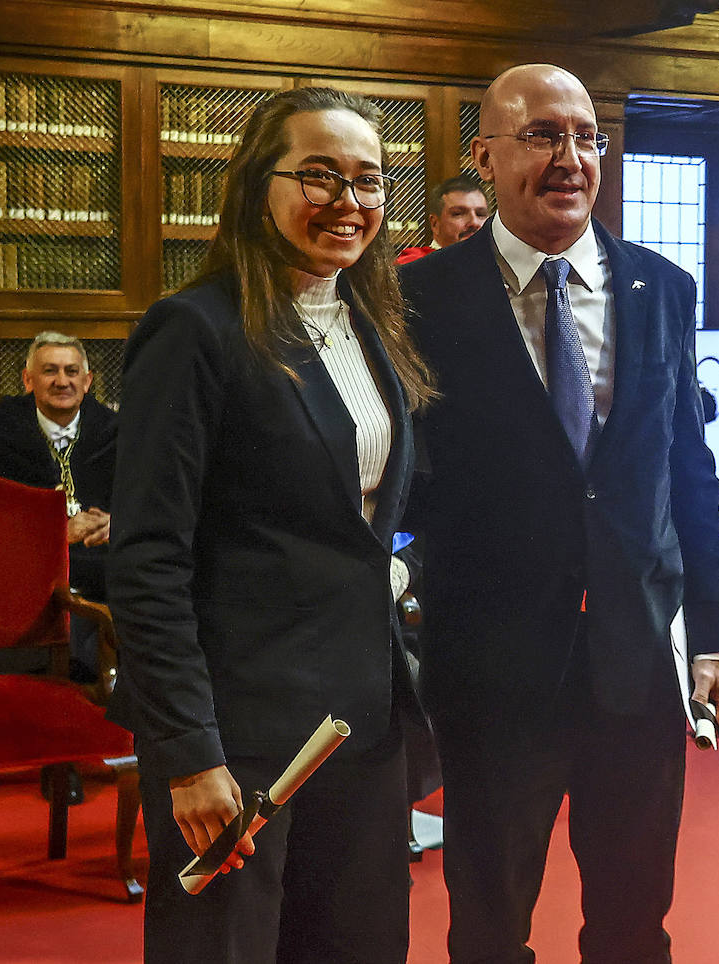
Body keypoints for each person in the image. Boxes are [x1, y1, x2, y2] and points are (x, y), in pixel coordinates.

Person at [399, 63, 719, 964]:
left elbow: (687, 471)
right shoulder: (419, 297)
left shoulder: (661, 288)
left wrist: (717, 630)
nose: (572, 158)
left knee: (635, 925)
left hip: (636, 663)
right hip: (494, 670)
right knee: (488, 926)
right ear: (485, 156)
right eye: (544, 135)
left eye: (587, 137)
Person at [106, 87, 434, 964]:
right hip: (241, 728)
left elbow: (368, 516)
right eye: (320, 175)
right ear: (259, 186)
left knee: (359, 945)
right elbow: (146, 557)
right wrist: (187, 752)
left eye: (369, 181)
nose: (349, 203)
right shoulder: (197, 330)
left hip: (359, 719)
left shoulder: (370, 325)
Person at [0, 331, 117, 664]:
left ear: (88, 380)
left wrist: (115, 524)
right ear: (28, 379)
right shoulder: (0, 439)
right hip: (32, 578)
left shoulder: (115, 432)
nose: (62, 381)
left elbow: (145, 502)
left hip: (103, 573)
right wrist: (56, 534)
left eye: (71, 371)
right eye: (50, 371)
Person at [396, 174, 490, 264]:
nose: (474, 222)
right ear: (435, 224)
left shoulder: (496, 265)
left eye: (480, 214)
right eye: (458, 214)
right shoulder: (413, 267)